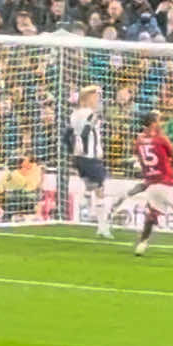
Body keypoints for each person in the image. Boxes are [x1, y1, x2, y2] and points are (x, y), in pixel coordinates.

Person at [132, 112, 173, 257]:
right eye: (158, 120)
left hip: (151, 184)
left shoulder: (139, 140)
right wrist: (168, 168)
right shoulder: (161, 139)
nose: (160, 123)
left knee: (152, 215)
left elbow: (139, 156)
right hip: (167, 183)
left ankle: (142, 245)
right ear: (153, 123)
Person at [69, 84, 111, 239]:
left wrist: (73, 152)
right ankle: (101, 226)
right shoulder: (90, 114)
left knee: (93, 186)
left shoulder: (73, 115)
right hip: (90, 158)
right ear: (87, 99)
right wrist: (91, 151)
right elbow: (87, 132)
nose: (98, 100)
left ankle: (85, 200)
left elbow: (69, 136)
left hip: (78, 158)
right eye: (96, 97)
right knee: (100, 191)